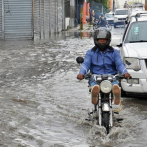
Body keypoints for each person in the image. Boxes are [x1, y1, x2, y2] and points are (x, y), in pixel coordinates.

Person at [77, 28, 131, 105]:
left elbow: (119, 64)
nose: (102, 42)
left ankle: (116, 94)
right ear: (96, 40)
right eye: (100, 40)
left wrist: (125, 72)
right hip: (95, 77)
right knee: (94, 85)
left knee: (115, 85)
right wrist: (81, 73)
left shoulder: (115, 52)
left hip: (112, 77)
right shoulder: (90, 52)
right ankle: (94, 94)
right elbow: (86, 64)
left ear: (108, 40)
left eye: (104, 40)